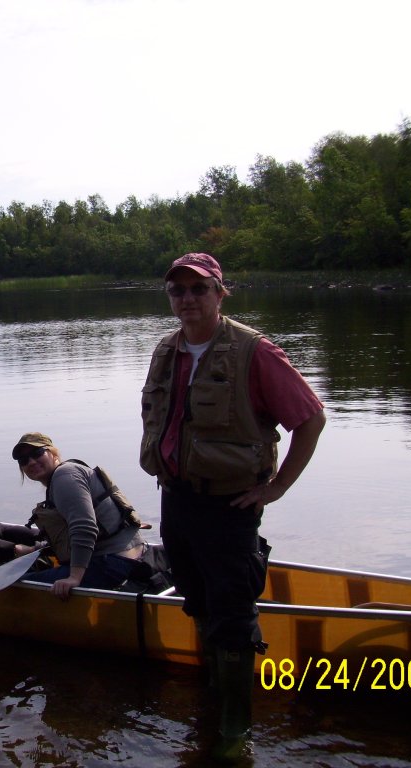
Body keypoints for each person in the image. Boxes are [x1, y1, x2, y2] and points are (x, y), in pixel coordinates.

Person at [139, 252, 326, 760]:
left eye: (199, 290)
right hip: (176, 500)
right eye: (178, 291)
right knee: (198, 602)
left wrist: (277, 487)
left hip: (230, 506)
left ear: (221, 293)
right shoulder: (165, 350)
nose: (187, 300)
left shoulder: (254, 351)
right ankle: (214, 698)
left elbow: (309, 419)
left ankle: (234, 734)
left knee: (233, 614)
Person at [11, 432, 146, 600]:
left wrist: (74, 578)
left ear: (53, 453)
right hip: (131, 556)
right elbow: (68, 537)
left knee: (14, 587)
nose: (31, 462)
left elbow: (84, 528)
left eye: (37, 453)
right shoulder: (65, 475)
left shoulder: (64, 477)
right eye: (24, 460)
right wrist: (35, 550)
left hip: (113, 564)